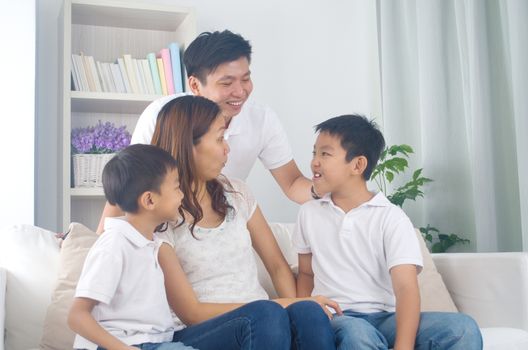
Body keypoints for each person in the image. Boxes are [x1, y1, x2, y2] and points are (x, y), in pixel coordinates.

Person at [151, 95, 340, 350]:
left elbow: (276, 266)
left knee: (309, 312)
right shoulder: (161, 215)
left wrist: (295, 308)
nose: (227, 148)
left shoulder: (237, 193)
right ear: (189, 146)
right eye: (219, 138)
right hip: (200, 332)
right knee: (266, 315)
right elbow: (191, 313)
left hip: (263, 322)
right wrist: (278, 306)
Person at [293, 115, 483, 350]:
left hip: (385, 319)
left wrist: (404, 347)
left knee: (462, 328)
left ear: (358, 165)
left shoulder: (391, 218)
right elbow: (305, 274)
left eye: (325, 154)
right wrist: (305, 315)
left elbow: (406, 289)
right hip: (337, 317)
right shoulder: (309, 213)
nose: (314, 162)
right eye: (314, 153)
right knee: (357, 332)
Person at [97, 30, 314, 233]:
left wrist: (334, 190)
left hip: (221, 222)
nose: (240, 91)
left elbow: (293, 183)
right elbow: (127, 188)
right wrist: (97, 247)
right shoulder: (162, 116)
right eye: (226, 83)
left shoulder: (262, 119)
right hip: (166, 224)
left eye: (246, 79)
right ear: (194, 85)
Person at [67, 144, 194, 350]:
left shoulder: (151, 244)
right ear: (150, 200)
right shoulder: (114, 244)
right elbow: (77, 316)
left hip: (152, 342)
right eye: (177, 187)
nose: (182, 195)